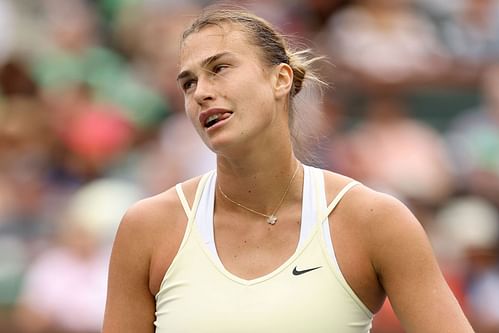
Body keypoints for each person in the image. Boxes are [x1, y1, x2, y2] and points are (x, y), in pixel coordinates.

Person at [103, 6, 474, 333]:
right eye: (189, 82)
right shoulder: (146, 229)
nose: (200, 92)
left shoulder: (376, 220)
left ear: (280, 79)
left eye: (220, 68)